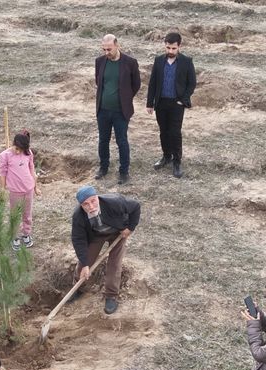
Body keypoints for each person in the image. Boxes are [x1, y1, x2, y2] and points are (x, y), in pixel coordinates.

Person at [71, 186, 140, 315]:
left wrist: (130, 228)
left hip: (118, 232)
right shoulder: (78, 216)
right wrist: (86, 264)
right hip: (96, 234)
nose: (91, 207)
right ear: (81, 206)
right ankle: (77, 288)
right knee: (83, 264)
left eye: (93, 201)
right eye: (86, 204)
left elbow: (135, 206)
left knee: (114, 263)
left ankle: (111, 296)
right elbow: (78, 240)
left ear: (97, 197)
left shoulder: (115, 203)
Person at [146, 32, 197, 179]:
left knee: (175, 133)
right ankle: (166, 156)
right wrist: (150, 103)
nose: (170, 51)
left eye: (173, 48)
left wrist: (183, 99)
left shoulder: (186, 61)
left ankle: (177, 161)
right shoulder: (158, 60)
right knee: (163, 131)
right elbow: (153, 83)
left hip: (176, 103)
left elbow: (192, 83)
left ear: (179, 46)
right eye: (168, 48)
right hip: (161, 103)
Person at [94, 34, 141, 185]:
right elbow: (98, 81)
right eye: (104, 49)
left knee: (122, 141)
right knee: (103, 140)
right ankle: (103, 167)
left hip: (121, 111)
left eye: (109, 49)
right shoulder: (100, 62)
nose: (106, 52)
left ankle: (124, 171)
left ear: (117, 45)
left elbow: (136, 84)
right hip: (103, 110)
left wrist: (125, 98)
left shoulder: (130, 62)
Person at [0, 131, 41, 251]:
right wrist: (3, 189)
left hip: (28, 188)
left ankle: (26, 233)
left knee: (27, 214)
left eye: (20, 150)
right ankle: (15, 236)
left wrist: (35, 187)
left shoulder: (28, 153)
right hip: (15, 191)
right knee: (15, 215)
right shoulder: (4, 155)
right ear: (13, 143)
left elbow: (32, 169)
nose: (18, 152)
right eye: (16, 148)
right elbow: (2, 173)